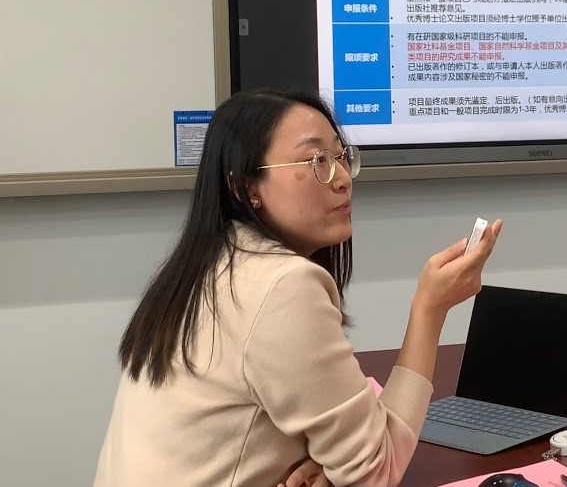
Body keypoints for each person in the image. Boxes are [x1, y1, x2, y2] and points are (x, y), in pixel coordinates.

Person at [94, 87, 502, 487]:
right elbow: (375, 472)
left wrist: (323, 462)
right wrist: (430, 310)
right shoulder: (280, 285)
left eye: (341, 156)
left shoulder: (206, 266)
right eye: (316, 160)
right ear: (246, 187)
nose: (343, 178)